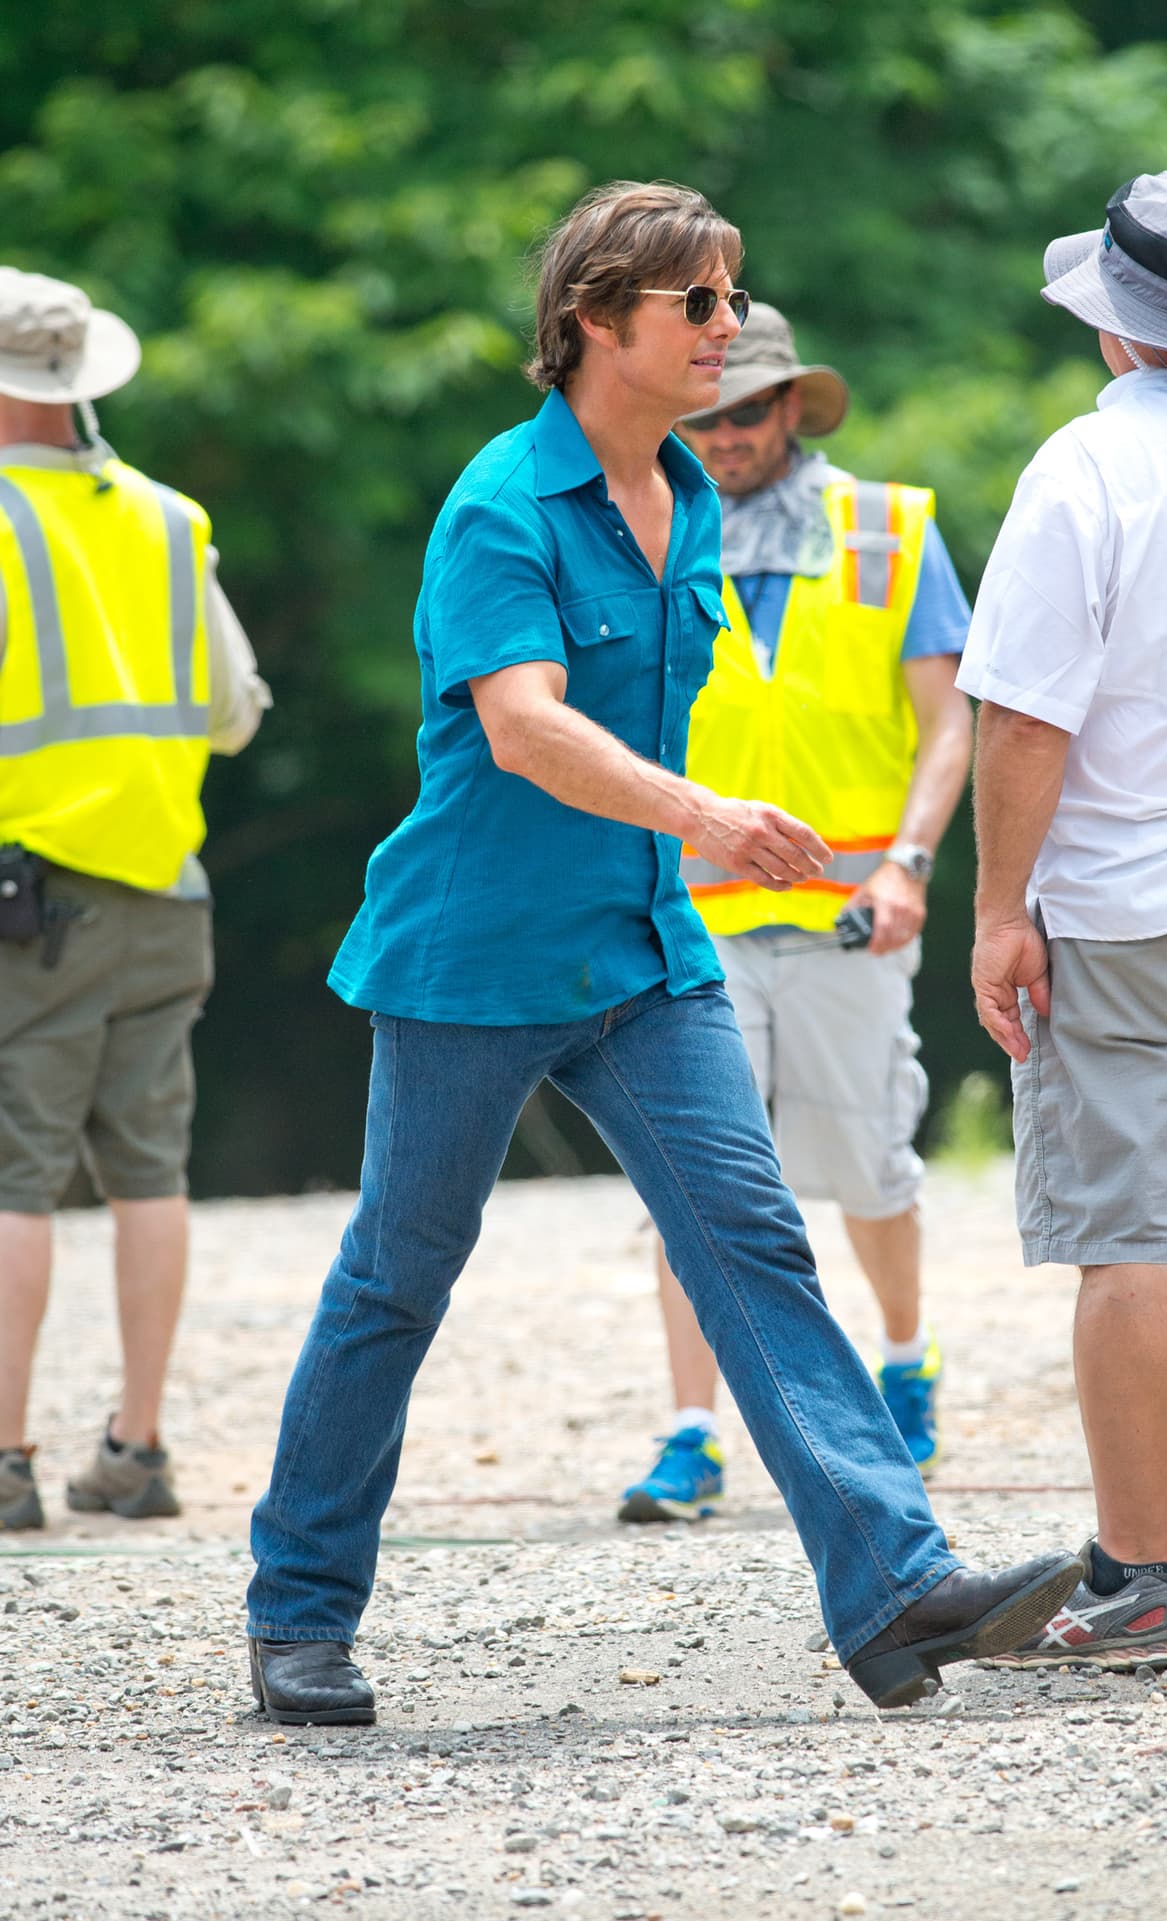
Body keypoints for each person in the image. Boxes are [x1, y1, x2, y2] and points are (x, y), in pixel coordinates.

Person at [244, 179, 1080, 1727]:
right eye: (697, 303)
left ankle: (894, 1588)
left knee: (751, 1240)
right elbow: (524, 723)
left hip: (643, 950)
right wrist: (705, 813)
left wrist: (692, 843)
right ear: (591, 322)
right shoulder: (501, 503)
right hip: (472, 960)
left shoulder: (687, 496)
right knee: (395, 1283)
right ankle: (297, 1612)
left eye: (733, 296)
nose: (729, 328)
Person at [958, 171, 1167, 1669]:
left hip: (1129, 905)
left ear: (1113, 323)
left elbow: (1023, 720)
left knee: (1133, 1239)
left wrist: (996, 910)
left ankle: (1136, 1584)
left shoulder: (1085, 470)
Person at [617, 303, 973, 1525]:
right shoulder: (641, 526)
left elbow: (947, 723)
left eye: (746, 411)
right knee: (691, 1178)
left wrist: (911, 865)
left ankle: (905, 1357)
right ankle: (689, 1431)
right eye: (703, 414)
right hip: (689, 913)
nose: (721, 434)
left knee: (870, 1158)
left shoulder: (886, 529)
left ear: (791, 407)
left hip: (846, 912)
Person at [0, 267, 270, 1531]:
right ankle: (136, 1449)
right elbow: (233, 709)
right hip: (168, 889)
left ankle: (4, 1465)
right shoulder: (171, 518)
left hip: (30, 903)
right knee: (147, 1172)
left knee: (14, 1177)